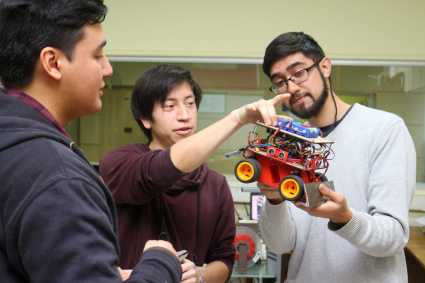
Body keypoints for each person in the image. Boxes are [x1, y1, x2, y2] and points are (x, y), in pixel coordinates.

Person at [0, 1, 183, 282]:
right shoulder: (57, 177)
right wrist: (160, 263)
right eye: (98, 56)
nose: (107, 69)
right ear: (53, 63)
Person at [99, 64, 288, 283]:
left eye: (190, 104)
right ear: (145, 119)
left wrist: (200, 274)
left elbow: (224, 260)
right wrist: (237, 118)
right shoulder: (118, 162)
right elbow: (157, 171)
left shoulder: (216, 185)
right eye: (170, 106)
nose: (185, 115)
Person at [258, 32, 416, 283]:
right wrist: (274, 199)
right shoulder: (291, 142)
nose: (292, 88)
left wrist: (345, 218)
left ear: (325, 67)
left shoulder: (384, 129)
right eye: (280, 82)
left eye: (299, 72)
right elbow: (279, 245)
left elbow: (393, 238)